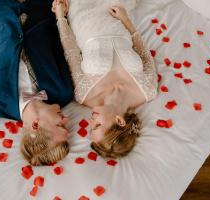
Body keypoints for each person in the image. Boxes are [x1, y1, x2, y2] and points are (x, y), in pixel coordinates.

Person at [0, 0, 74, 166]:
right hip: (39, 11)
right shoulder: (64, 91)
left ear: (35, 124)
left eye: (61, 126)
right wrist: (60, 14)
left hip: (2, 15)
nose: (66, 121)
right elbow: (59, 46)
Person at [52, 0, 158, 159]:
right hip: (115, 14)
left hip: (83, 16)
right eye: (97, 125)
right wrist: (126, 20)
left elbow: (71, 51)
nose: (90, 121)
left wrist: (60, 17)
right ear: (119, 121)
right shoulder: (148, 90)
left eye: (90, 127)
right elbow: (144, 54)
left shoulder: (85, 95)